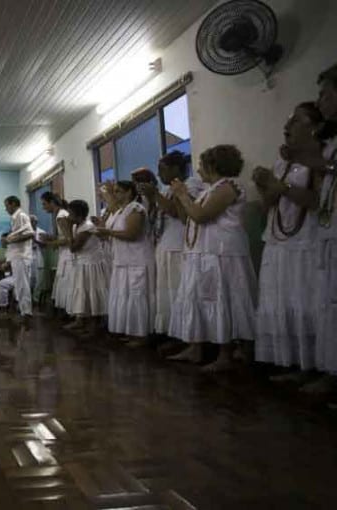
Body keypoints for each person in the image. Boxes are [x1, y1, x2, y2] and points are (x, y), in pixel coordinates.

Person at [168, 145, 257, 372]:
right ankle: (195, 347)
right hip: (203, 252)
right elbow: (186, 215)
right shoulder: (209, 190)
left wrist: (181, 194)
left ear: (213, 165)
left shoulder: (228, 186)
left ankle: (226, 353)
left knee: (223, 299)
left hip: (222, 253)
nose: (198, 170)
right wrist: (182, 198)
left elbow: (201, 215)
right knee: (199, 299)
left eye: (201, 164)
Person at [253, 103, 322, 378]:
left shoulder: (321, 160)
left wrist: (281, 186)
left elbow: (318, 201)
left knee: (304, 300)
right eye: (288, 120)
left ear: (314, 128)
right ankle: (290, 361)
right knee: (281, 301)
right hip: (278, 238)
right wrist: (265, 184)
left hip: (305, 242)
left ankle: (314, 365)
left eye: (295, 121)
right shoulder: (282, 162)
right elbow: (268, 204)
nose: (287, 126)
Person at [291, 63, 337, 393]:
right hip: (328, 229)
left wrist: (316, 161)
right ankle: (328, 371)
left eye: (325, 94)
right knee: (328, 303)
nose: (320, 101)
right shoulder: (331, 142)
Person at [138, 152, 204, 335]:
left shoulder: (191, 184)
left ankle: (186, 334)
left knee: (178, 294)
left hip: (179, 246)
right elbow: (155, 217)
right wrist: (152, 199)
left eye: (162, 170)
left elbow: (178, 213)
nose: (159, 175)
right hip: (164, 245)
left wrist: (156, 195)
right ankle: (171, 333)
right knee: (166, 296)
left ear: (176, 169)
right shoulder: (168, 189)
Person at [94, 181, 155, 346]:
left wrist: (108, 232)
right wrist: (103, 232)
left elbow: (132, 234)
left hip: (137, 259)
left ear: (129, 192)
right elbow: (112, 235)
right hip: (122, 259)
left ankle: (142, 335)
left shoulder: (135, 208)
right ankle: (131, 331)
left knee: (137, 295)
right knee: (125, 296)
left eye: (118, 191)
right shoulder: (120, 211)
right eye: (114, 192)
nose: (115, 195)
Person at [65, 199, 110, 331]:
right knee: (81, 291)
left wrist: (66, 229)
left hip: (91, 264)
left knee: (91, 292)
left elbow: (74, 247)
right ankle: (80, 320)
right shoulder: (77, 226)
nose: (68, 217)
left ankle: (93, 324)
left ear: (78, 215)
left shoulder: (87, 227)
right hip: (82, 263)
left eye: (70, 214)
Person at [0, 196, 34, 321]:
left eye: (6, 206)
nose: (5, 209)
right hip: (18, 256)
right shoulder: (16, 217)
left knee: (22, 286)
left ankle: (26, 313)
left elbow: (29, 234)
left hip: (21, 256)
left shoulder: (20, 216)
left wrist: (10, 239)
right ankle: (24, 312)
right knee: (19, 285)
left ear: (13, 204)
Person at [39, 192, 72, 314]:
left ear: (52, 203)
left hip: (69, 254)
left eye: (44, 204)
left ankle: (71, 314)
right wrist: (49, 237)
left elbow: (69, 239)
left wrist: (50, 244)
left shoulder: (61, 216)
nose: (43, 208)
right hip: (64, 253)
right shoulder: (60, 214)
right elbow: (62, 236)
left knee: (67, 284)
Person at [30, 215, 47, 302]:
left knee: (39, 282)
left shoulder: (42, 232)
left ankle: (36, 300)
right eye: (30, 221)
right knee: (29, 281)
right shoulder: (25, 233)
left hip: (38, 257)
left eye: (33, 221)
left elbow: (45, 246)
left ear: (36, 222)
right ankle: (28, 301)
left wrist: (35, 241)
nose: (31, 223)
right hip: (28, 258)